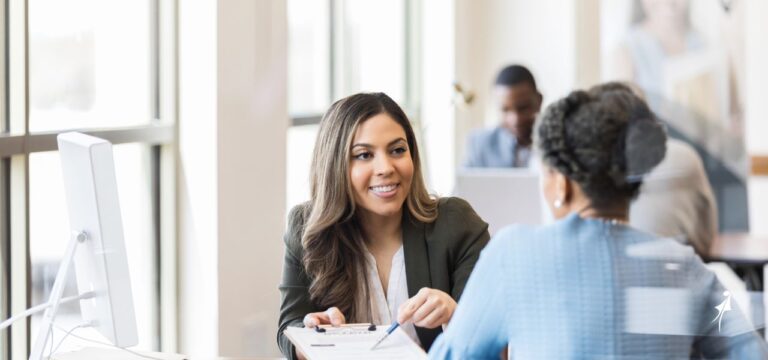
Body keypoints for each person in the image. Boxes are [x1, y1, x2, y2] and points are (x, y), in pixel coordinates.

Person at [429, 83, 768, 359]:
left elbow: (456, 355)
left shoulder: (512, 254)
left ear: (560, 183)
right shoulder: (684, 267)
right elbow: (748, 349)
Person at [277, 92, 490, 359]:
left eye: (397, 150)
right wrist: (312, 336)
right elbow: (289, 327)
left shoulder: (456, 223)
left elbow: (496, 340)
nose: (386, 167)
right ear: (335, 165)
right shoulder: (305, 227)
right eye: (364, 155)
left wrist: (454, 314)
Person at [463, 64, 542, 168]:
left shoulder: (560, 144)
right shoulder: (479, 145)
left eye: (523, 108)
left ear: (539, 101)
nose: (515, 119)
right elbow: (465, 183)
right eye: (505, 110)